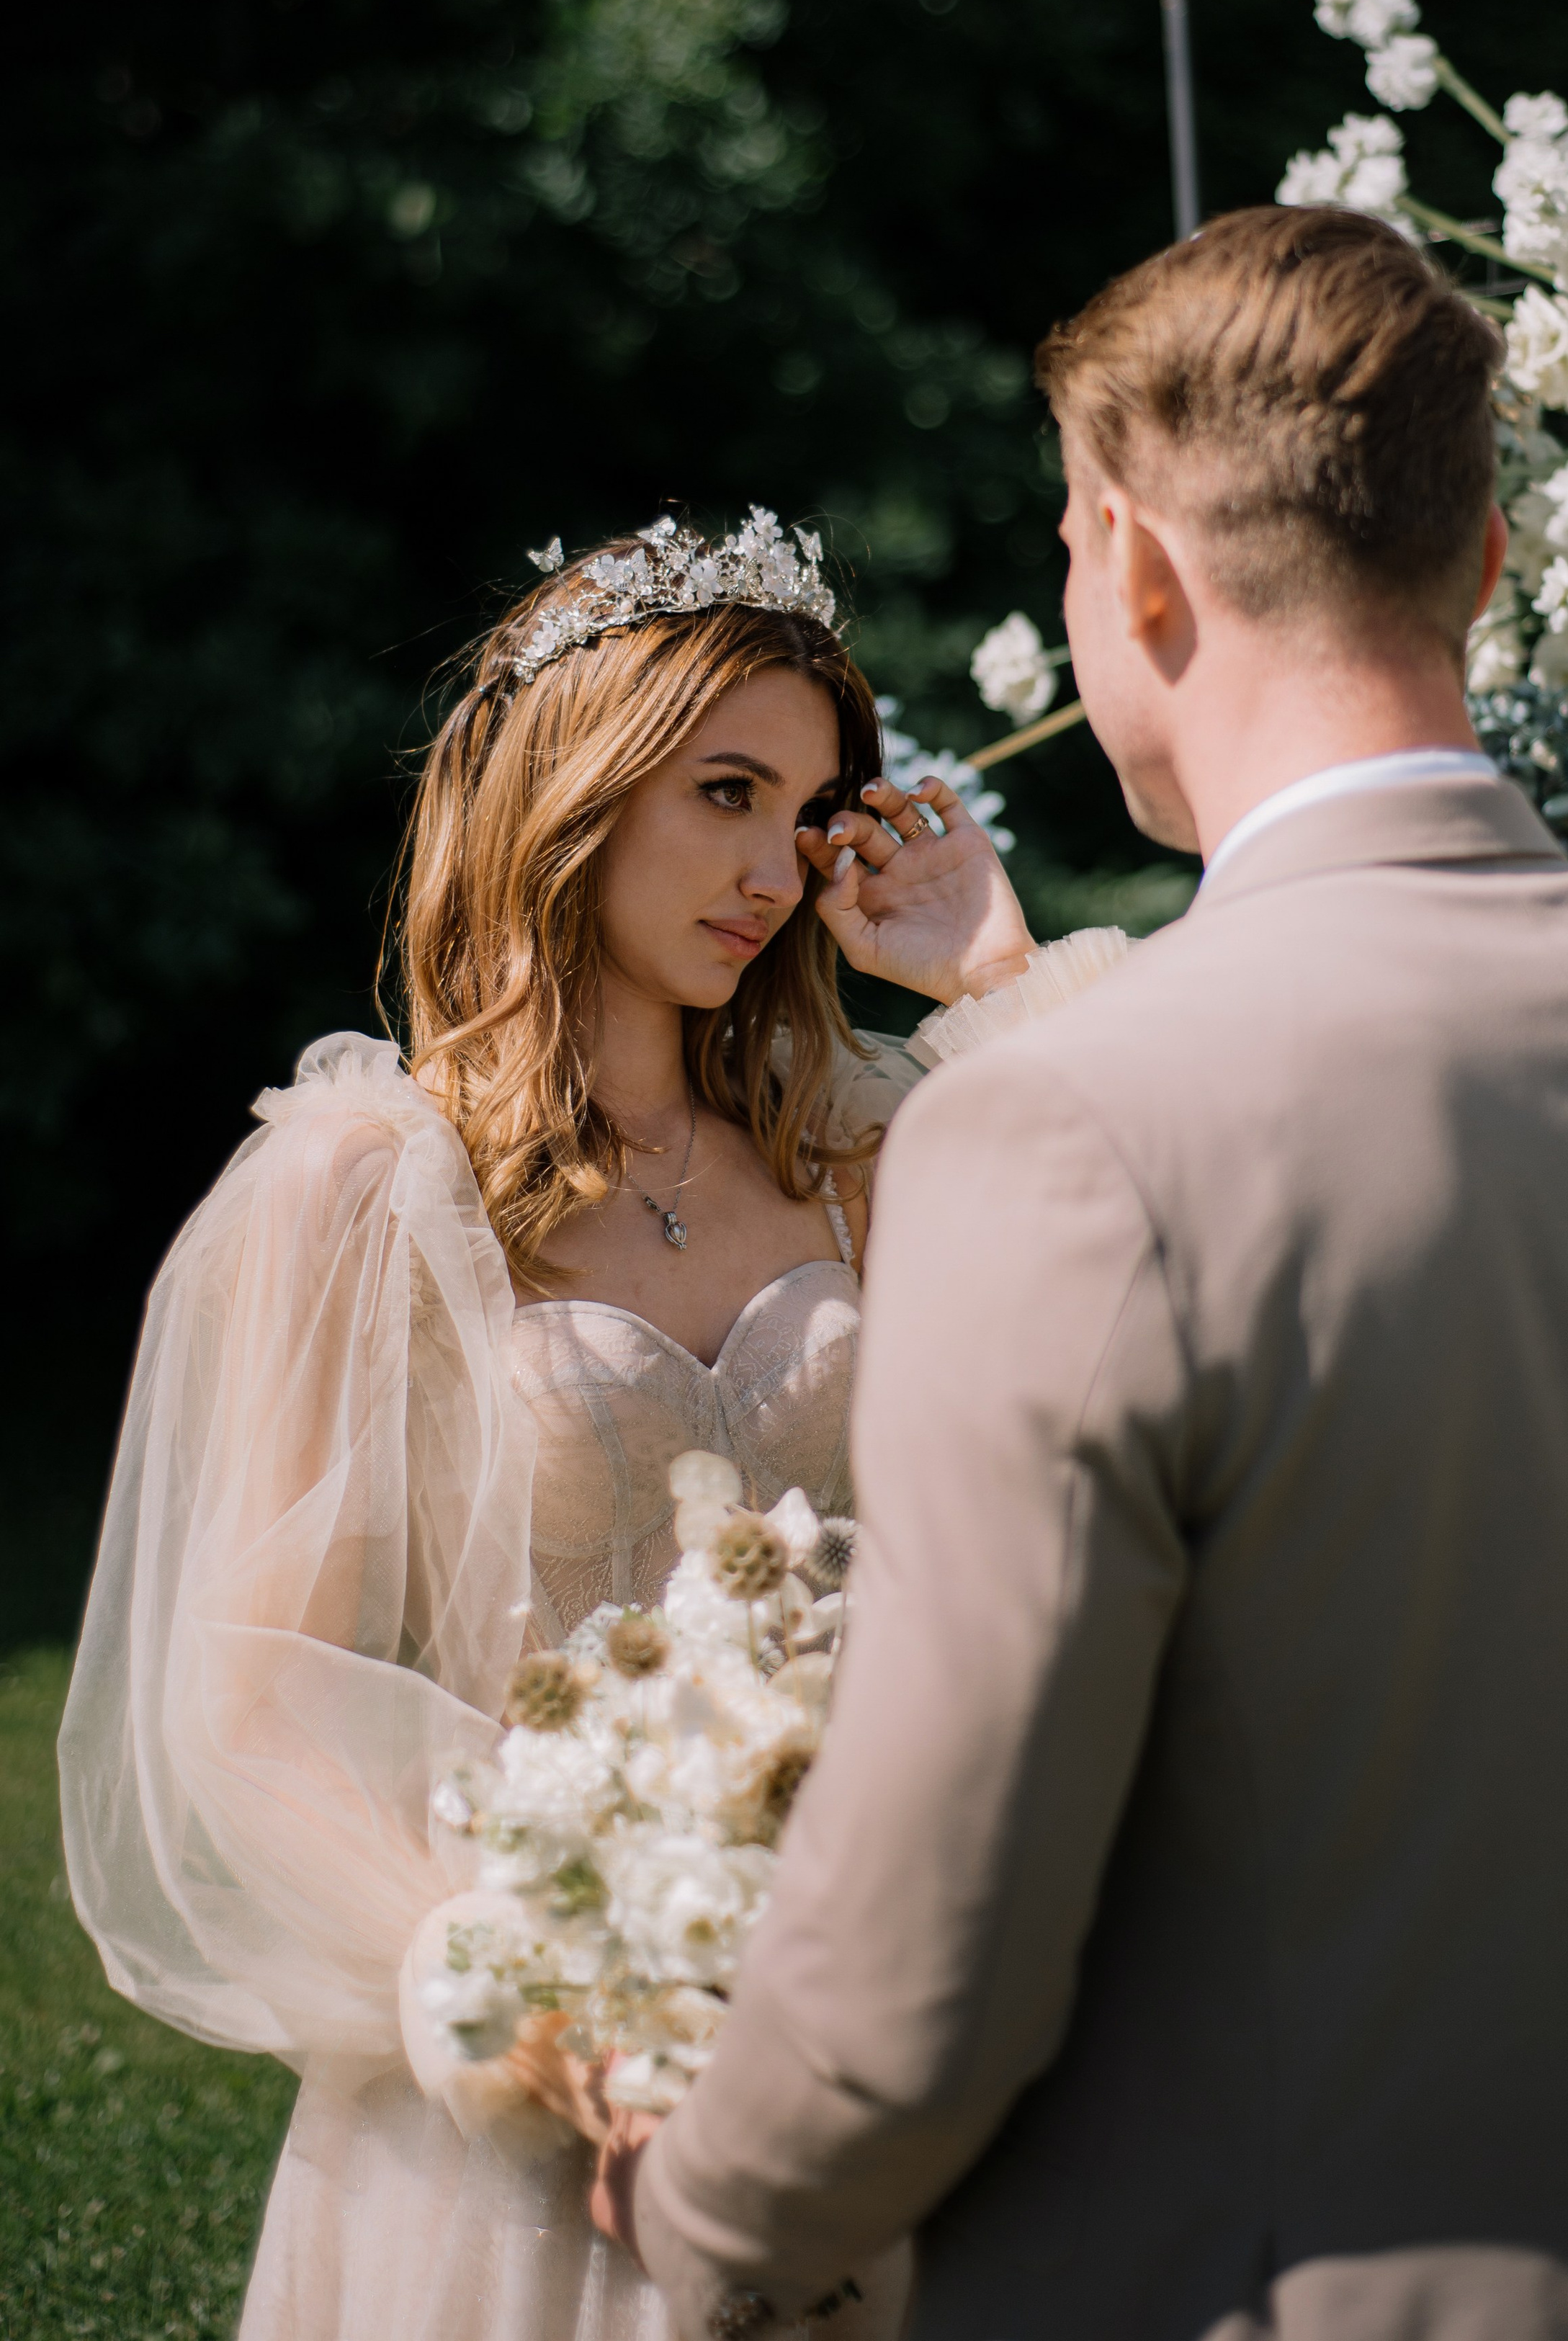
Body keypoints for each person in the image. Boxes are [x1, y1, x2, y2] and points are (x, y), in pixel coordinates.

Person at [627, 207, 1568, 2341]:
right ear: (1479, 568)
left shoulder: (1067, 1132)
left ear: (1136, 563)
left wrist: (711, 2216)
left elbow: (934, 1960)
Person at [57, 508, 1125, 2341]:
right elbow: (252, 1696)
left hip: (876, 1997)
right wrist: (556, 2015)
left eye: (803, 810)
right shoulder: (360, 1187)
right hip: (540, 2074)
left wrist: (989, 975)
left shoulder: (860, 1140)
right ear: (576, 781)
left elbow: (1155, 1310)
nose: (774, 869)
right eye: (721, 790)